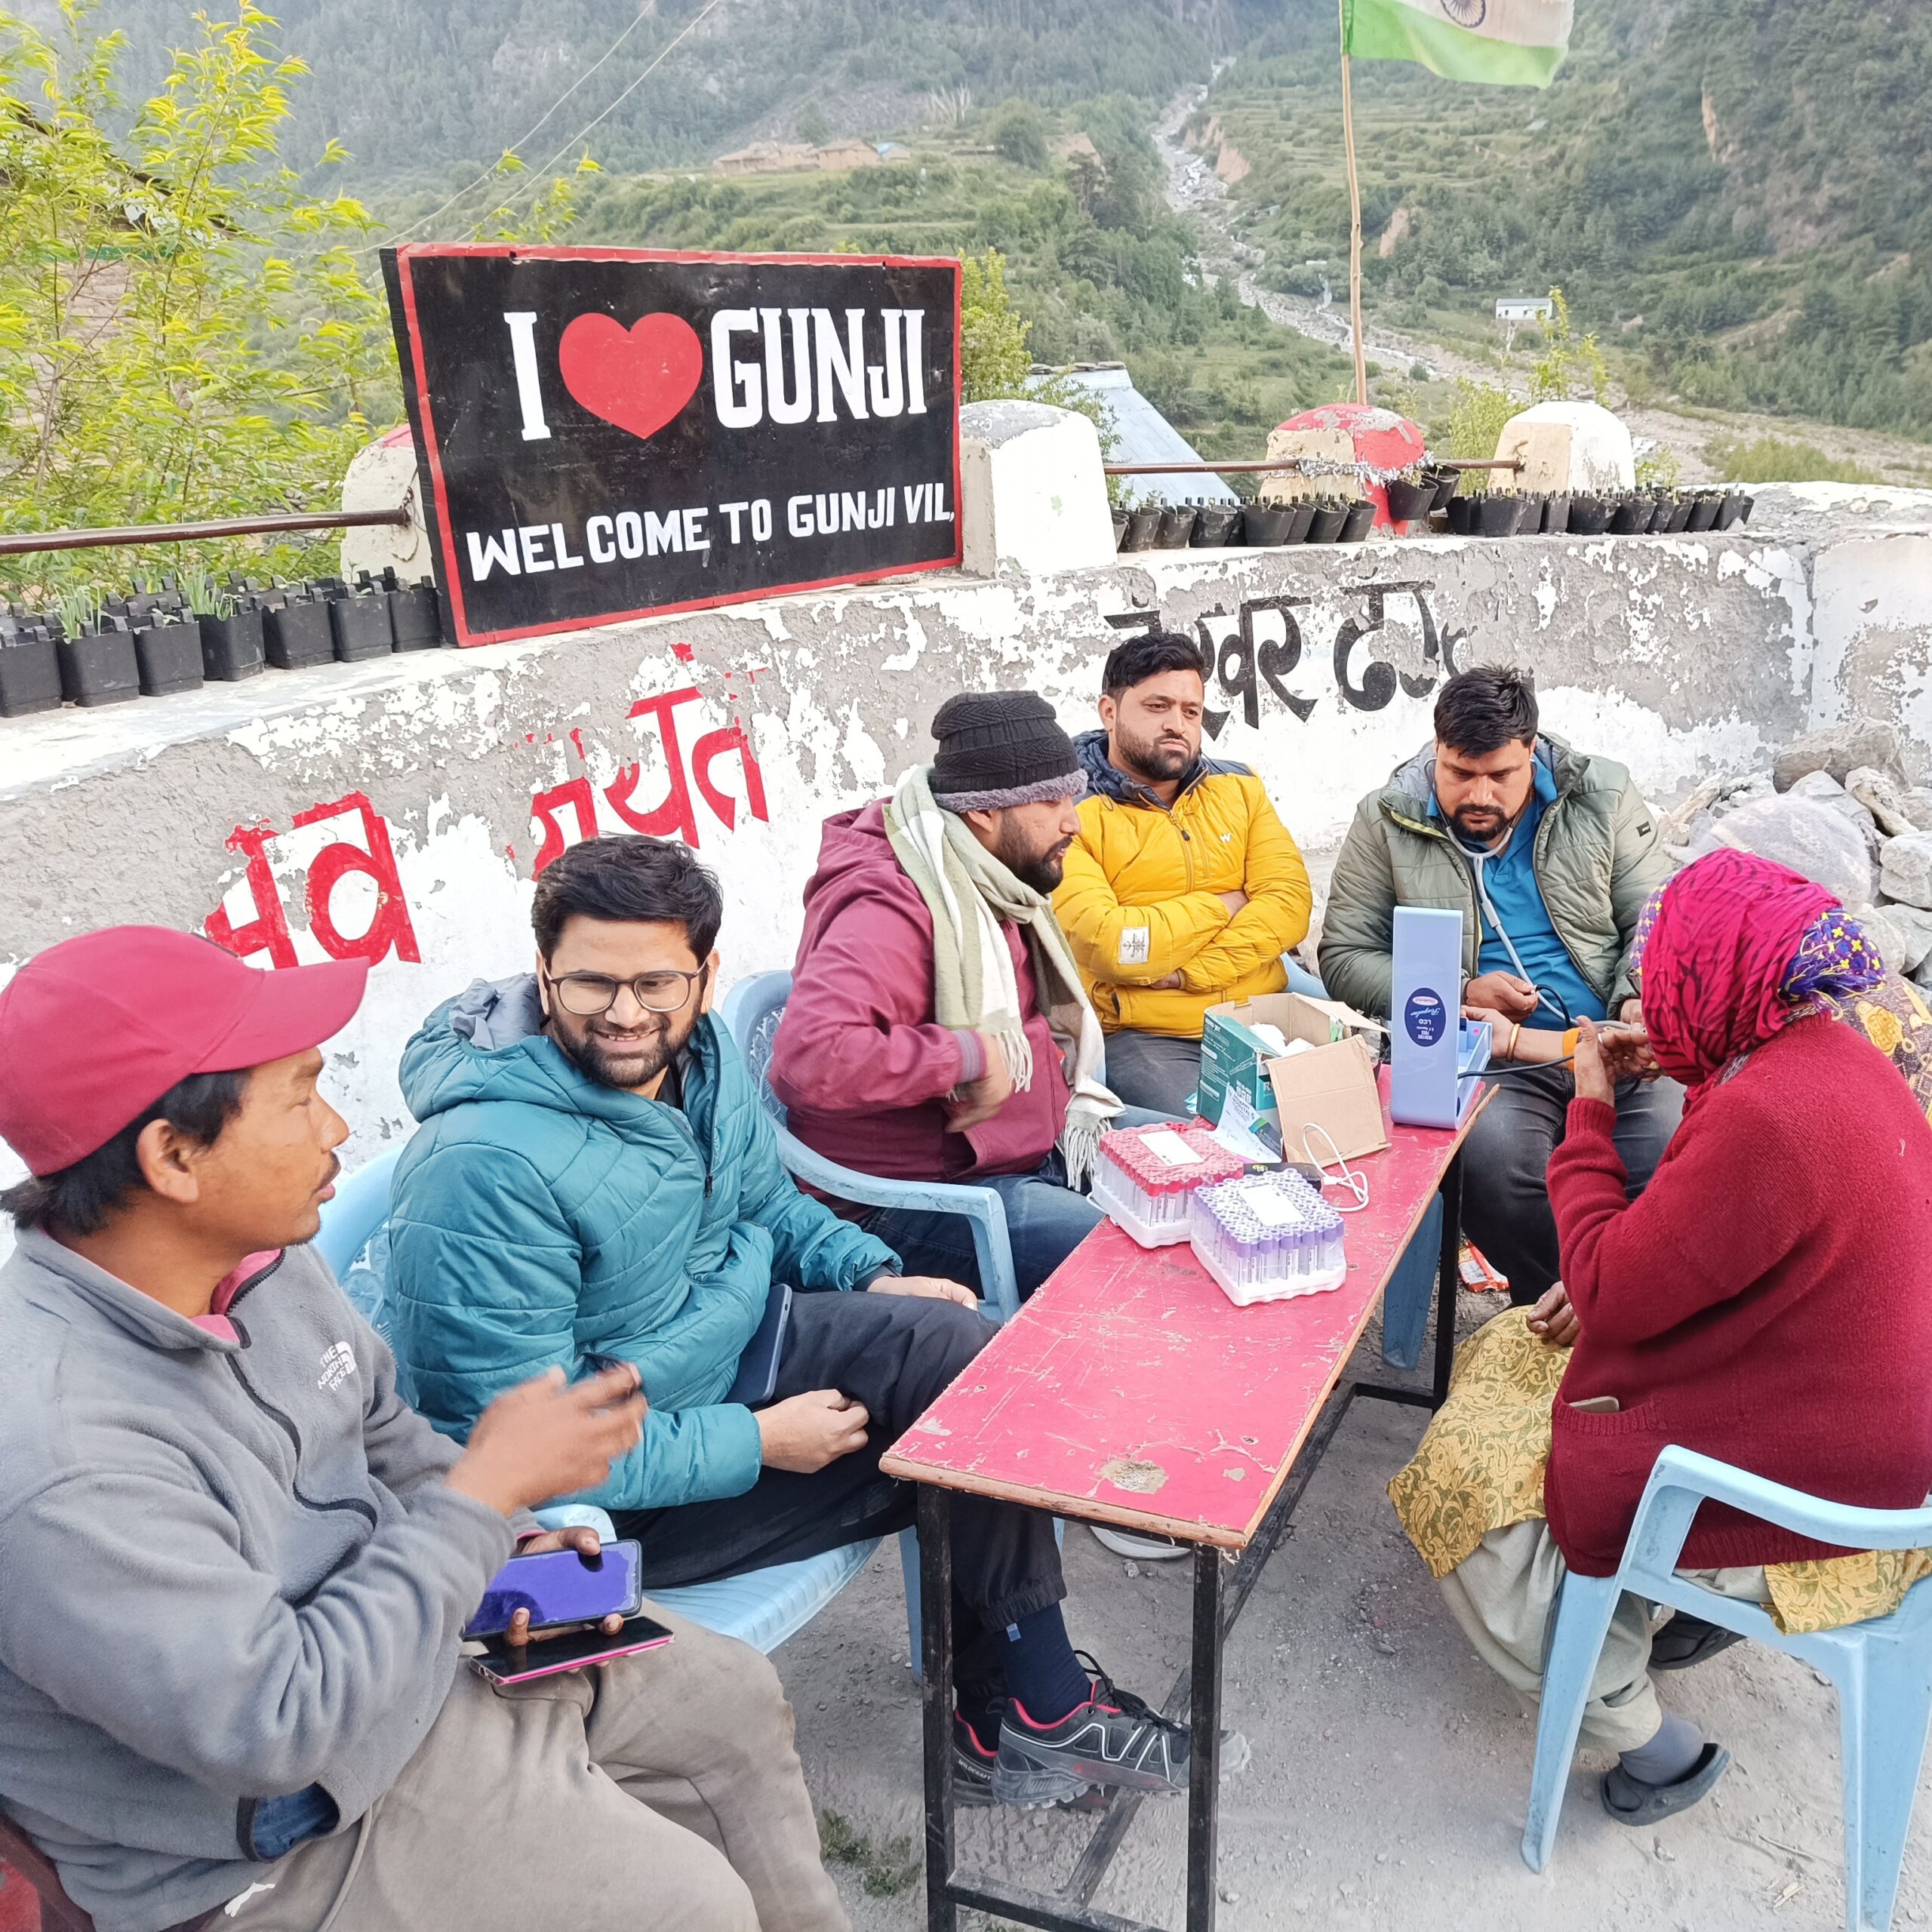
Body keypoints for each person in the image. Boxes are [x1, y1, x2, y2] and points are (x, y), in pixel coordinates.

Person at [0, 926, 847, 1932]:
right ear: (174, 1157)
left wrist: (510, 1544)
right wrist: (479, 1502)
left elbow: (387, 1433)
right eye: (300, 1096)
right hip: (285, 1828)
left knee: (733, 1700)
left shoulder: (256, 1260)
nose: (336, 1126)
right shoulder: (61, 1455)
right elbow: (278, 1724)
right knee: (687, 1908)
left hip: (428, 1644)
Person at [386, 833, 1216, 1810]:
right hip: (623, 1488)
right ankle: (1031, 1714)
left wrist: (870, 1273)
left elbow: (766, 1203)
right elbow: (517, 1451)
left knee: (965, 1362)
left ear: (706, 976)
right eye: (591, 984)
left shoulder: (698, 1060)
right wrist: (757, 1442)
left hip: (732, 1354)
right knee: (957, 1439)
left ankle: (1024, 1714)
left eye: (656, 983)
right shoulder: (483, 1167)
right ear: (543, 973)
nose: (625, 1014)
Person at [1389, 850, 1932, 1827]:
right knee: (1520, 1337)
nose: (1649, 1002)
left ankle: (1647, 1734)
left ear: (1712, 978)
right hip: (1860, 1420)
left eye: (1665, 979)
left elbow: (1608, 1284)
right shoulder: (1825, 1049)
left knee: (1470, 1483)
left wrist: (1590, 1108)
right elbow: (1711, 1246)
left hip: (1820, 1471)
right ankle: (1651, 1612)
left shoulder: (1766, 1112)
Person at [1319, 664, 1680, 1305]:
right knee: (1494, 1169)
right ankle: (1568, 1306)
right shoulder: (1386, 819)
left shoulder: (1601, 795)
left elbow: (1656, 917)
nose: (1479, 795)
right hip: (1486, 1055)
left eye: (1501, 776)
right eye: (1460, 773)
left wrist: (1635, 999)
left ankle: (1631, 1311)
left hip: (1612, 1038)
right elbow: (1345, 955)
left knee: (1669, 1159)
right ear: (1437, 751)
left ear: (1531, 753)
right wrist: (1458, 991)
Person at [771, 688, 1134, 1303]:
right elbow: (808, 1057)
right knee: (1137, 1257)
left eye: (1071, 796)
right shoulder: (891, 904)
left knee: (1205, 1170)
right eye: (1051, 801)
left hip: (1028, 1147)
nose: (1073, 820)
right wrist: (969, 1056)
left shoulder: (989, 876)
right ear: (984, 812)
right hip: (914, 1199)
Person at [1054, 629, 1314, 1117]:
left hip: (1263, 1015)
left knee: (1358, 1120)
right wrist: (1225, 905)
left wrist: (1186, 973)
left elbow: (1290, 906)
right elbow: (1112, 943)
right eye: (1158, 707)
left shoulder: (1239, 787)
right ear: (1109, 712)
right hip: (1148, 1035)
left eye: (1191, 711)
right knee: (1226, 1146)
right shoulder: (1070, 812)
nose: (1178, 724)